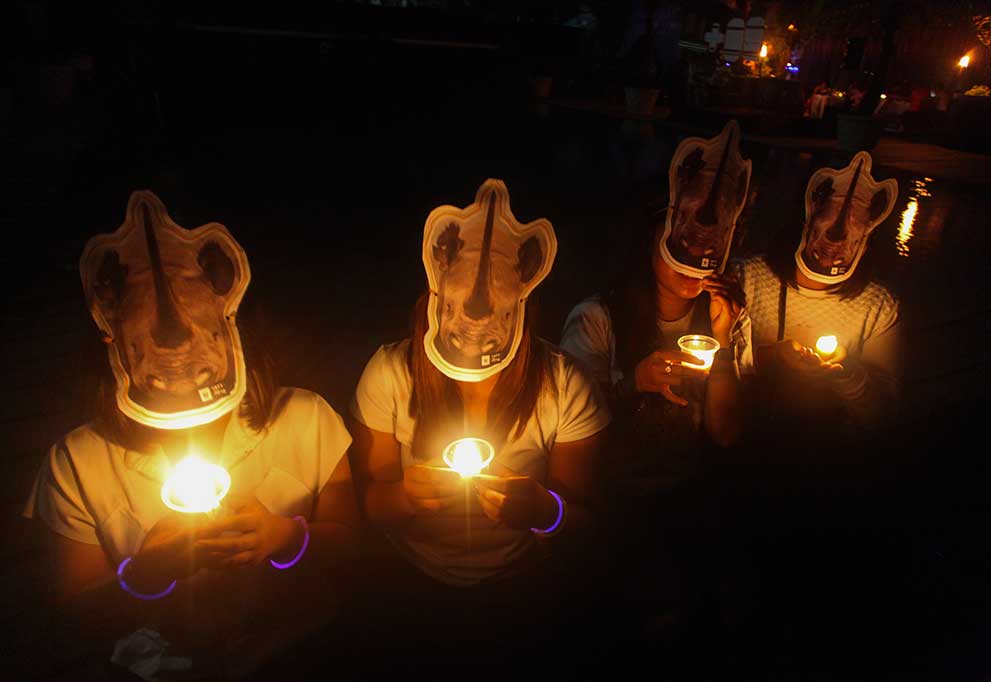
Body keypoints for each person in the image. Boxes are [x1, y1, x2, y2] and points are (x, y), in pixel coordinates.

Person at [22, 191, 361, 679]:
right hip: (165, 664)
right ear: (110, 335)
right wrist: (148, 574)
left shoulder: (305, 419)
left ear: (233, 319)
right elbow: (75, 612)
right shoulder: (76, 463)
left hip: (298, 643)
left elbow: (351, 547)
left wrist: (287, 538)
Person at [346, 179, 610, 670]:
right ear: (435, 299)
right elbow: (372, 506)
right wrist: (406, 495)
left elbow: (589, 520)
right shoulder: (389, 373)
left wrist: (543, 511)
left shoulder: (565, 385)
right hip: (410, 583)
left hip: (522, 588)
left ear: (521, 308)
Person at [559, 121, 752, 653]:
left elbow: (728, 433)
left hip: (687, 487)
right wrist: (634, 382)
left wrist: (724, 340)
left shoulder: (725, 319)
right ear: (654, 237)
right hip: (612, 492)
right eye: (683, 239)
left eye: (711, 246)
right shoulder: (597, 318)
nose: (694, 260)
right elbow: (568, 435)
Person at [734, 150, 901, 443]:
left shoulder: (877, 307)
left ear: (868, 238)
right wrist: (769, 358)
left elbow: (883, 416)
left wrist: (848, 376)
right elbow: (714, 370)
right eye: (829, 219)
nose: (837, 237)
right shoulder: (748, 279)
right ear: (807, 220)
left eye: (852, 227)